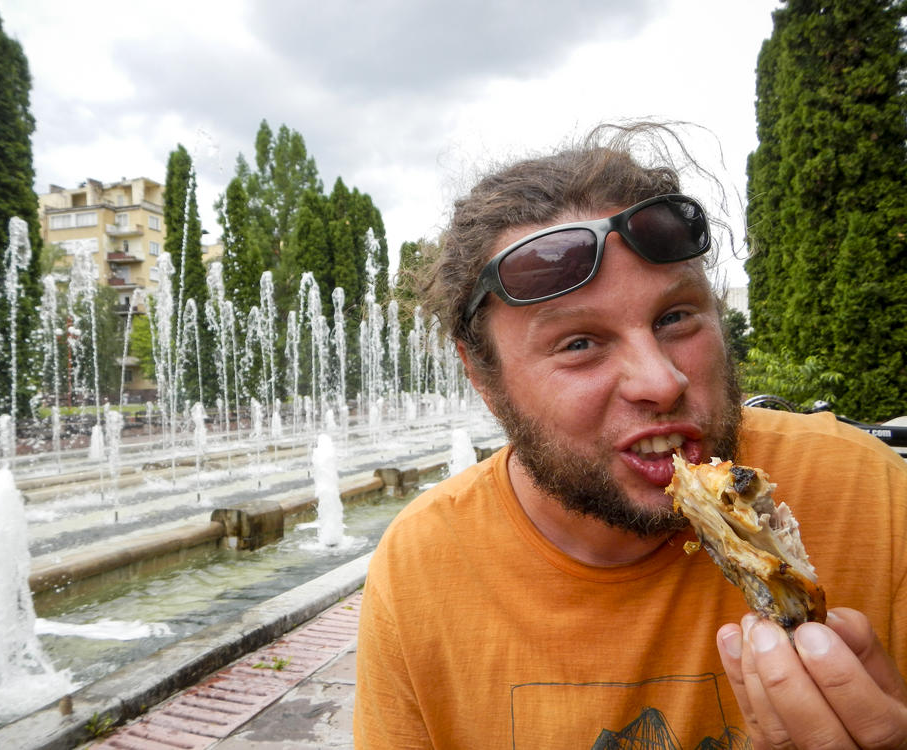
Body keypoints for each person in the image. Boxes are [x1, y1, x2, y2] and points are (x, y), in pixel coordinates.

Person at [353, 123, 907, 748]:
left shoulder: (872, 498)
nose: (661, 380)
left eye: (675, 317)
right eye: (579, 343)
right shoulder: (422, 570)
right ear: (484, 379)